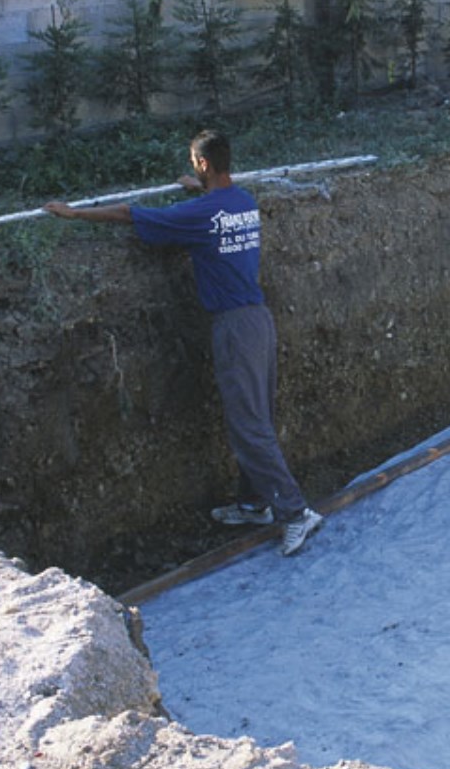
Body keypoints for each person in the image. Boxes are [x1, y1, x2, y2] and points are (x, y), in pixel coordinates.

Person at [43, 130, 324, 556]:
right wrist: (199, 191)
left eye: (195, 164)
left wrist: (75, 214)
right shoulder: (242, 201)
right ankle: (254, 503)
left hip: (234, 326)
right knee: (256, 416)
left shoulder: (200, 214)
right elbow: (215, 207)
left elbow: (130, 215)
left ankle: (296, 513)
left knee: (248, 424)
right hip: (258, 321)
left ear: (203, 164)